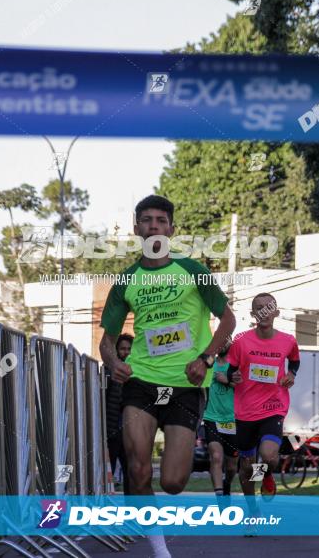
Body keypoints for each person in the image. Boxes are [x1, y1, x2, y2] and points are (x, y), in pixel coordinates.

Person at [99, 195, 236, 558]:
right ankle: (161, 551)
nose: (154, 226)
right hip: (141, 381)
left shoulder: (193, 271)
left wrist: (206, 359)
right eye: (147, 220)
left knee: (173, 482)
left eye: (161, 220)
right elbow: (107, 343)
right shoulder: (126, 280)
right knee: (138, 468)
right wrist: (114, 362)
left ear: (172, 229)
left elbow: (229, 321)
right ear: (137, 229)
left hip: (186, 385)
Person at [227, 293, 300, 518]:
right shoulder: (240, 341)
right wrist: (233, 377)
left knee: (268, 455)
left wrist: (291, 373)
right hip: (245, 411)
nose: (264, 311)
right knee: (247, 468)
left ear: (276, 312)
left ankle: (266, 474)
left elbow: (295, 360)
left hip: (273, 407)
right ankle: (252, 510)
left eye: (269, 307)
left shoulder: (288, 341)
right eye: (259, 308)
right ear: (253, 314)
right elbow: (230, 369)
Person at [202, 344, 238, 500]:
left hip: (233, 420)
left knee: (231, 467)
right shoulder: (209, 364)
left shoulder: (236, 365)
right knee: (216, 456)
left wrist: (227, 380)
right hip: (212, 418)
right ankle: (220, 497)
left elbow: (247, 389)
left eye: (226, 341)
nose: (222, 344)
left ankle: (227, 483)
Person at [104, 334, 133, 494]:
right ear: (116, 351)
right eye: (122, 349)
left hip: (131, 431)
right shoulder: (108, 372)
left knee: (132, 472)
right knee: (109, 471)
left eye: (129, 349)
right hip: (112, 431)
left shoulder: (138, 372)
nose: (126, 352)